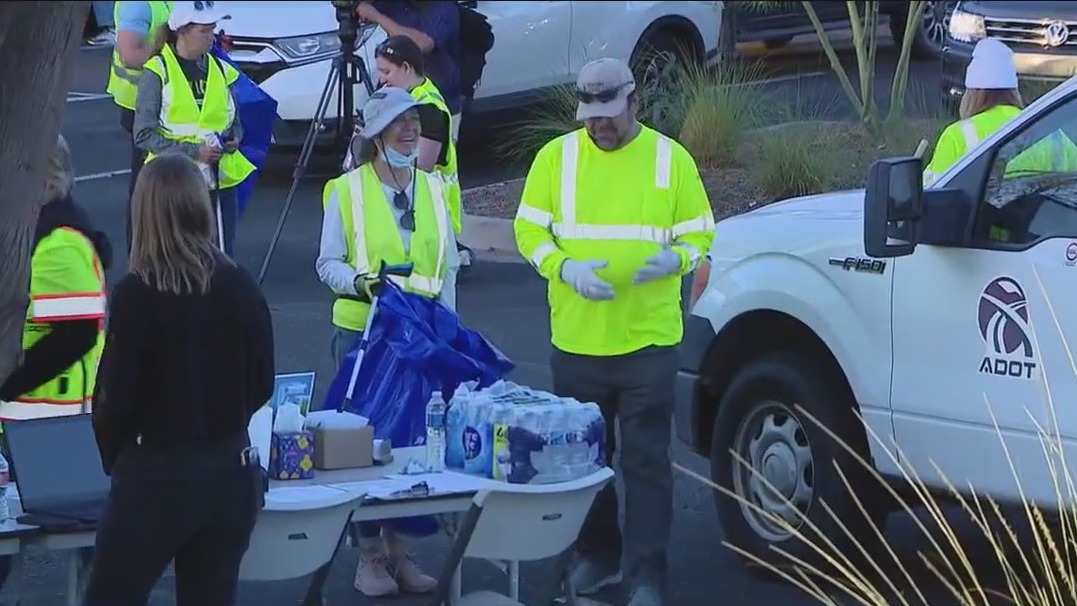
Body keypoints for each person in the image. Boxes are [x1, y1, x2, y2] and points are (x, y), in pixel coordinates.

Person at [513, 58, 715, 606]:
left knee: (646, 464)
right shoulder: (556, 159)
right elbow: (528, 230)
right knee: (583, 463)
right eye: (590, 116)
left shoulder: (670, 160)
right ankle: (598, 555)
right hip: (578, 340)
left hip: (648, 341)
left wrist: (675, 260)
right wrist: (563, 267)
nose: (598, 125)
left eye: (608, 114)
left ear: (634, 103)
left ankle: (646, 575)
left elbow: (701, 235)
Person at [82, 153, 275, 606]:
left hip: (157, 471)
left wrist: (120, 459)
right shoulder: (241, 285)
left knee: (111, 596)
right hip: (230, 468)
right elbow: (263, 381)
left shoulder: (138, 295)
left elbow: (115, 398)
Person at [316, 87, 452, 598]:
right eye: (399, 123)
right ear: (377, 135)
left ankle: (400, 552)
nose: (410, 130)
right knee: (363, 446)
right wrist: (360, 282)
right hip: (364, 334)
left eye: (414, 121)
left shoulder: (435, 189)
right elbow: (327, 262)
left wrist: (450, 331)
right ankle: (368, 555)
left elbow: (447, 268)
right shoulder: (346, 191)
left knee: (412, 445)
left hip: (422, 337)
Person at [0, 135, 110, 593]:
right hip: (37, 420)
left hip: (49, 421)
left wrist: (8, 382)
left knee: (68, 542)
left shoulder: (58, 243)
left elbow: (77, 333)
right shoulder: (41, 233)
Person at [133, 0, 254, 259]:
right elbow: (143, 134)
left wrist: (234, 139)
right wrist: (193, 152)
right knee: (176, 255)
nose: (212, 36)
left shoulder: (221, 69)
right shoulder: (158, 71)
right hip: (173, 183)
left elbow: (234, 121)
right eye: (205, 30)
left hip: (219, 180)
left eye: (213, 29)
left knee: (221, 255)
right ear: (182, 31)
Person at [375, 34, 463, 310]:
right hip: (416, 210)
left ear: (406, 68)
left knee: (436, 299)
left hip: (431, 212)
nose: (382, 80)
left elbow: (420, 165)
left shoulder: (427, 109)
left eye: (387, 71)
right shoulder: (413, 96)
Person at [107, 0, 173, 250]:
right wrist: (172, 51)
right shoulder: (137, 4)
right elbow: (130, 55)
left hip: (163, 104)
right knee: (146, 186)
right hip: (140, 107)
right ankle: (141, 253)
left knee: (160, 183)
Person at [923, 38, 1023, 185]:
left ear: (973, 93)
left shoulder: (956, 136)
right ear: (1014, 90)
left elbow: (932, 191)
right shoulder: (1047, 128)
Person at [357, 1, 463, 140]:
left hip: (438, 102)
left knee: (428, 158)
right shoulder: (398, 5)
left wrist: (375, 15)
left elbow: (420, 44)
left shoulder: (444, 8)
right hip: (400, 103)